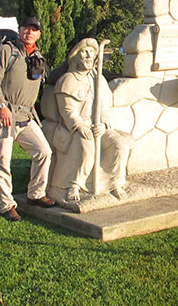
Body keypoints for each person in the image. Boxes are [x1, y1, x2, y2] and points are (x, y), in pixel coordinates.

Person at [0, 16, 55, 221]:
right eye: (26, 28)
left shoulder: (38, 57)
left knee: (43, 152)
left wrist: (73, 61)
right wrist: (2, 106)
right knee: (3, 160)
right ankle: (6, 205)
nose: (30, 32)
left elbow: (51, 77)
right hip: (3, 115)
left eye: (34, 30)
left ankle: (36, 194)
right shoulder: (6, 51)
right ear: (20, 29)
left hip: (26, 116)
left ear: (39, 34)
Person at [50, 38, 130, 203]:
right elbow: (67, 111)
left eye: (92, 52)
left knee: (119, 145)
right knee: (87, 148)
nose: (88, 55)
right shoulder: (68, 80)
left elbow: (105, 109)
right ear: (76, 56)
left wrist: (103, 124)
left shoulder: (99, 81)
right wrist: (80, 126)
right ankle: (74, 184)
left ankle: (112, 182)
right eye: (84, 52)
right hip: (76, 128)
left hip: (99, 126)